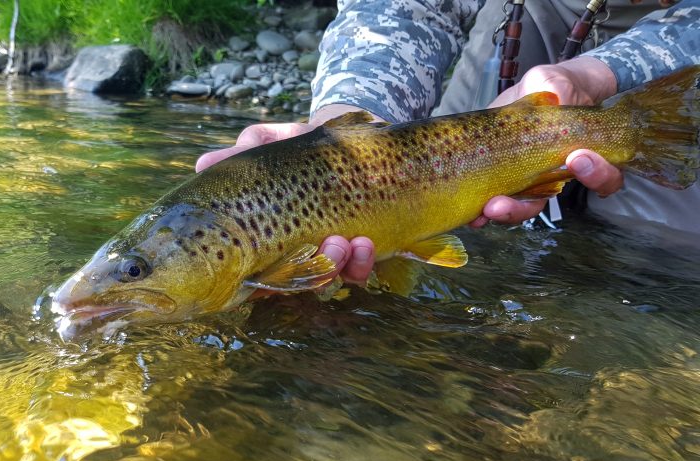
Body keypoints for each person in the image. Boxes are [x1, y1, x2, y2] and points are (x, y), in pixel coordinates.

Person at [196, 0, 700, 284]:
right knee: (425, 197)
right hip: (523, 9)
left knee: (660, 260)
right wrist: (346, 122)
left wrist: (602, 72)